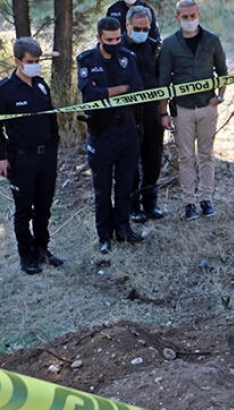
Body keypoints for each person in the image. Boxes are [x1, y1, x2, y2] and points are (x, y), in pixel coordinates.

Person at [0, 37, 63, 275]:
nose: (35, 65)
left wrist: (54, 146)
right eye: (30, 61)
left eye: (38, 60)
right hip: (22, 159)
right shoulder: (4, 90)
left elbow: (51, 118)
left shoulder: (41, 85)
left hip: (46, 157)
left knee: (44, 206)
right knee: (24, 210)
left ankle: (42, 248)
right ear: (17, 61)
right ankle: (26, 254)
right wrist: (1, 157)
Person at [77, 17, 145, 254]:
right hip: (101, 132)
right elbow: (90, 95)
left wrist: (107, 92)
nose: (115, 43)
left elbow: (137, 89)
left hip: (127, 131)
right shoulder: (86, 60)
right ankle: (104, 235)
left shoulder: (128, 57)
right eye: (109, 40)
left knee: (126, 186)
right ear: (98, 38)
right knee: (102, 189)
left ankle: (123, 229)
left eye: (118, 38)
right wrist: (119, 90)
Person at [158, 0, 228, 220]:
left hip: (208, 106)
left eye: (192, 15)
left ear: (198, 14)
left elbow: (223, 71)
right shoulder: (169, 44)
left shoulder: (212, 39)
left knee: (206, 155)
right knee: (186, 157)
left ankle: (206, 199)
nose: (189, 20)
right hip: (182, 109)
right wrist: (163, 112)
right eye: (184, 17)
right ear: (177, 18)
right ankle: (189, 202)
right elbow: (163, 80)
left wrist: (220, 96)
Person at [124, 6, 166, 223]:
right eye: (137, 28)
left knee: (153, 160)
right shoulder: (117, 47)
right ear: (128, 26)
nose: (142, 31)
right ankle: (133, 206)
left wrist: (164, 112)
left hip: (152, 114)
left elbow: (164, 82)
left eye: (146, 28)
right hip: (127, 115)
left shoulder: (155, 47)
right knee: (131, 161)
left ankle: (151, 203)